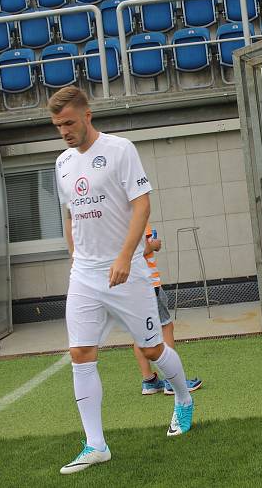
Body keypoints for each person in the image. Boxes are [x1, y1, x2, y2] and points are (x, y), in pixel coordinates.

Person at [51, 86, 195, 475]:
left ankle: (182, 399)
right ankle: (95, 445)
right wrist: (75, 256)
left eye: (68, 122)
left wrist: (125, 257)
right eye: (57, 125)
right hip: (83, 274)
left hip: (127, 271)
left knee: (151, 350)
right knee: (80, 354)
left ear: (87, 115)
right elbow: (68, 215)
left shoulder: (120, 150)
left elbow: (142, 204)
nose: (64, 130)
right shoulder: (63, 163)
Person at [135, 224, 203, 395]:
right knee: (166, 327)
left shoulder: (115, 220)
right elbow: (139, 249)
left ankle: (149, 380)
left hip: (132, 286)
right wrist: (154, 245)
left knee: (139, 332)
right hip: (149, 284)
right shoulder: (137, 216)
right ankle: (171, 381)